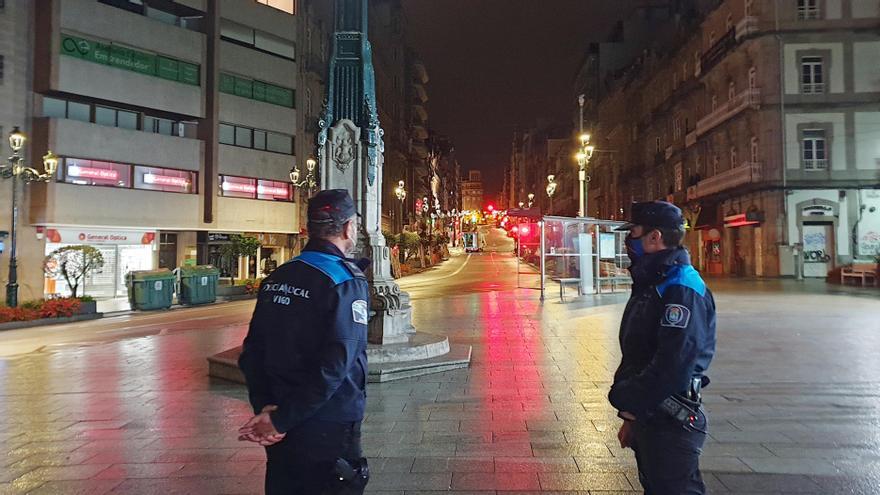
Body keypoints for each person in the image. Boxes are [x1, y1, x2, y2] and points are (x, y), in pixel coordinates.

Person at [237, 189, 371, 494]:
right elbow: (337, 364)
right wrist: (280, 420)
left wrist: (267, 412)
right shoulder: (344, 280)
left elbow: (252, 353)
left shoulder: (278, 277)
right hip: (328, 423)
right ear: (348, 228)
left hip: (279, 419)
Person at [608, 201, 717, 495]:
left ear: (654, 238)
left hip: (672, 420)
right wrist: (633, 416)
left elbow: (673, 365)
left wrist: (629, 399)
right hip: (652, 415)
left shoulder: (681, 287)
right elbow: (640, 352)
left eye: (634, 234)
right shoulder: (654, 281)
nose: (629, 242)